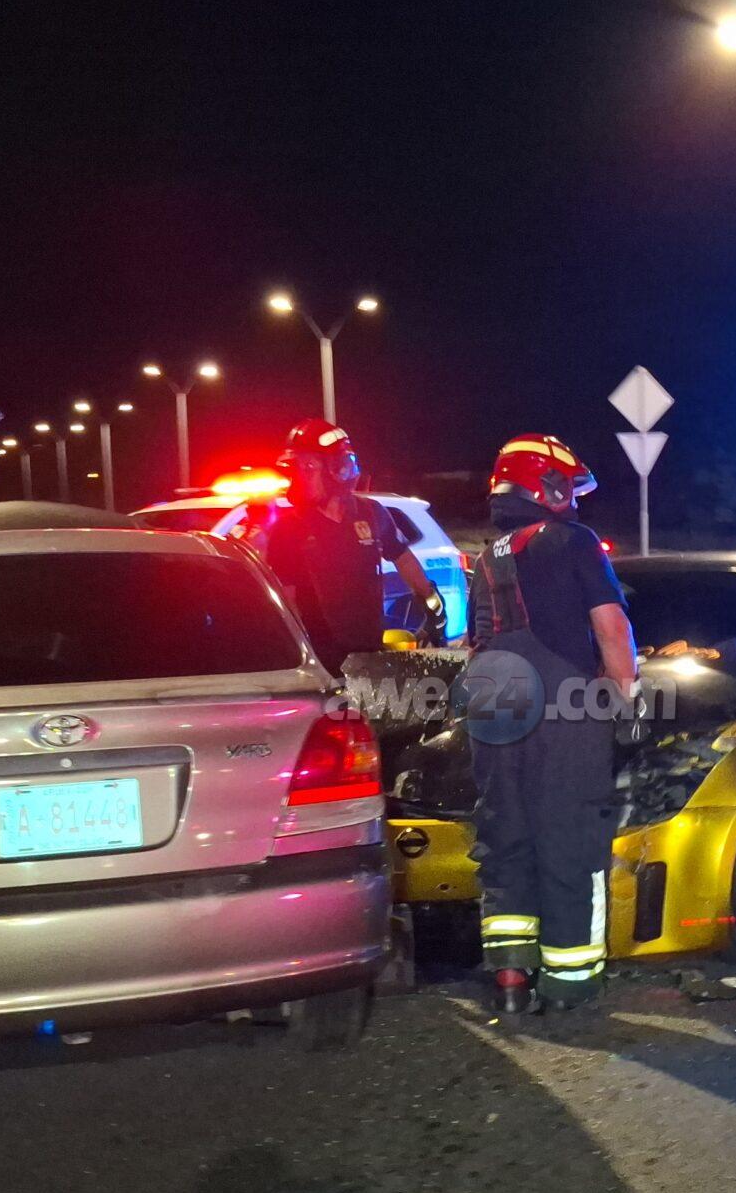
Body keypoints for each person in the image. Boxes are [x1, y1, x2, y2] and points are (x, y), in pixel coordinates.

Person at [461, 434, 638, 1014]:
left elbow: (474, 644)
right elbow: (611, 628)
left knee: (506, 835)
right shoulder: (575, 541)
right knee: (570, 836)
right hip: (565, 704)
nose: (576, 502)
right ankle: (570, 979)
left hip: (492, 699)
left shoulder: (486, 559)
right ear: (549, 486)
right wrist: (627, 701)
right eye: (570, 489)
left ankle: (511, 974)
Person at [245, 419, 444, 672]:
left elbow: (403, 558)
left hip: (370, 655)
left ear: (338, 469)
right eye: (297, 467)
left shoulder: (371, 513)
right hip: (322, 665)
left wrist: (431, 602)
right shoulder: (288, 529)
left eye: (308, 466)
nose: (299, 476)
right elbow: (288, 599)